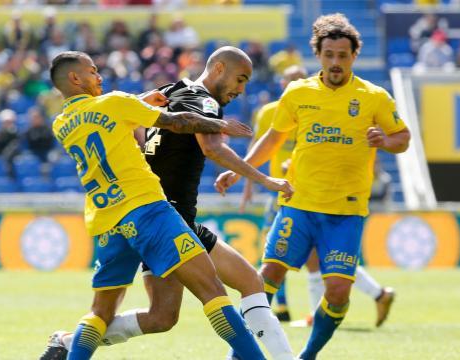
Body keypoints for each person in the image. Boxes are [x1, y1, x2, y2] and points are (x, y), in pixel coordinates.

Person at [41, 47, 295, 360]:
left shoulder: (62, 123)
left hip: (109, 219)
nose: (99, 75)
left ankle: (67, 345)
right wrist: (220, 126)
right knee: (216, 292)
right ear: (75, 77)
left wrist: (141, 103)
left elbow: (122, 127)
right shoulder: (130, 101)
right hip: (154, 211)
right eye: (93, 71)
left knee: (129, 314)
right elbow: (180, 125)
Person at [215, 14, 411, 359]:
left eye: (343, 55)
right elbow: (273, 139)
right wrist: (242, 171)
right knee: (266, 277)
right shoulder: (298, 93)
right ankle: (241, 354)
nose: (336, 62)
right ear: (318, 55)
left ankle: (307, 356)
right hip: (299, 203)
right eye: (329, 54)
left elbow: (403, 138)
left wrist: (386, 140)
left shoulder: (374, 97)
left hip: (345, 211)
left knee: (337, 292)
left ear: (354, 56)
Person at [242, 65, 396, 328]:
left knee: (305, 256)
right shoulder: (270, 113)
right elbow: (261, 144)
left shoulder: (318, 106)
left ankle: (289, 312)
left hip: (306, 191)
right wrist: (248, 182)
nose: (293, 83)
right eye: (289, 79)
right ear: (282, 84)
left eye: (298, 79)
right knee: (292, 256)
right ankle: (288, 309)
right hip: (279, 190)